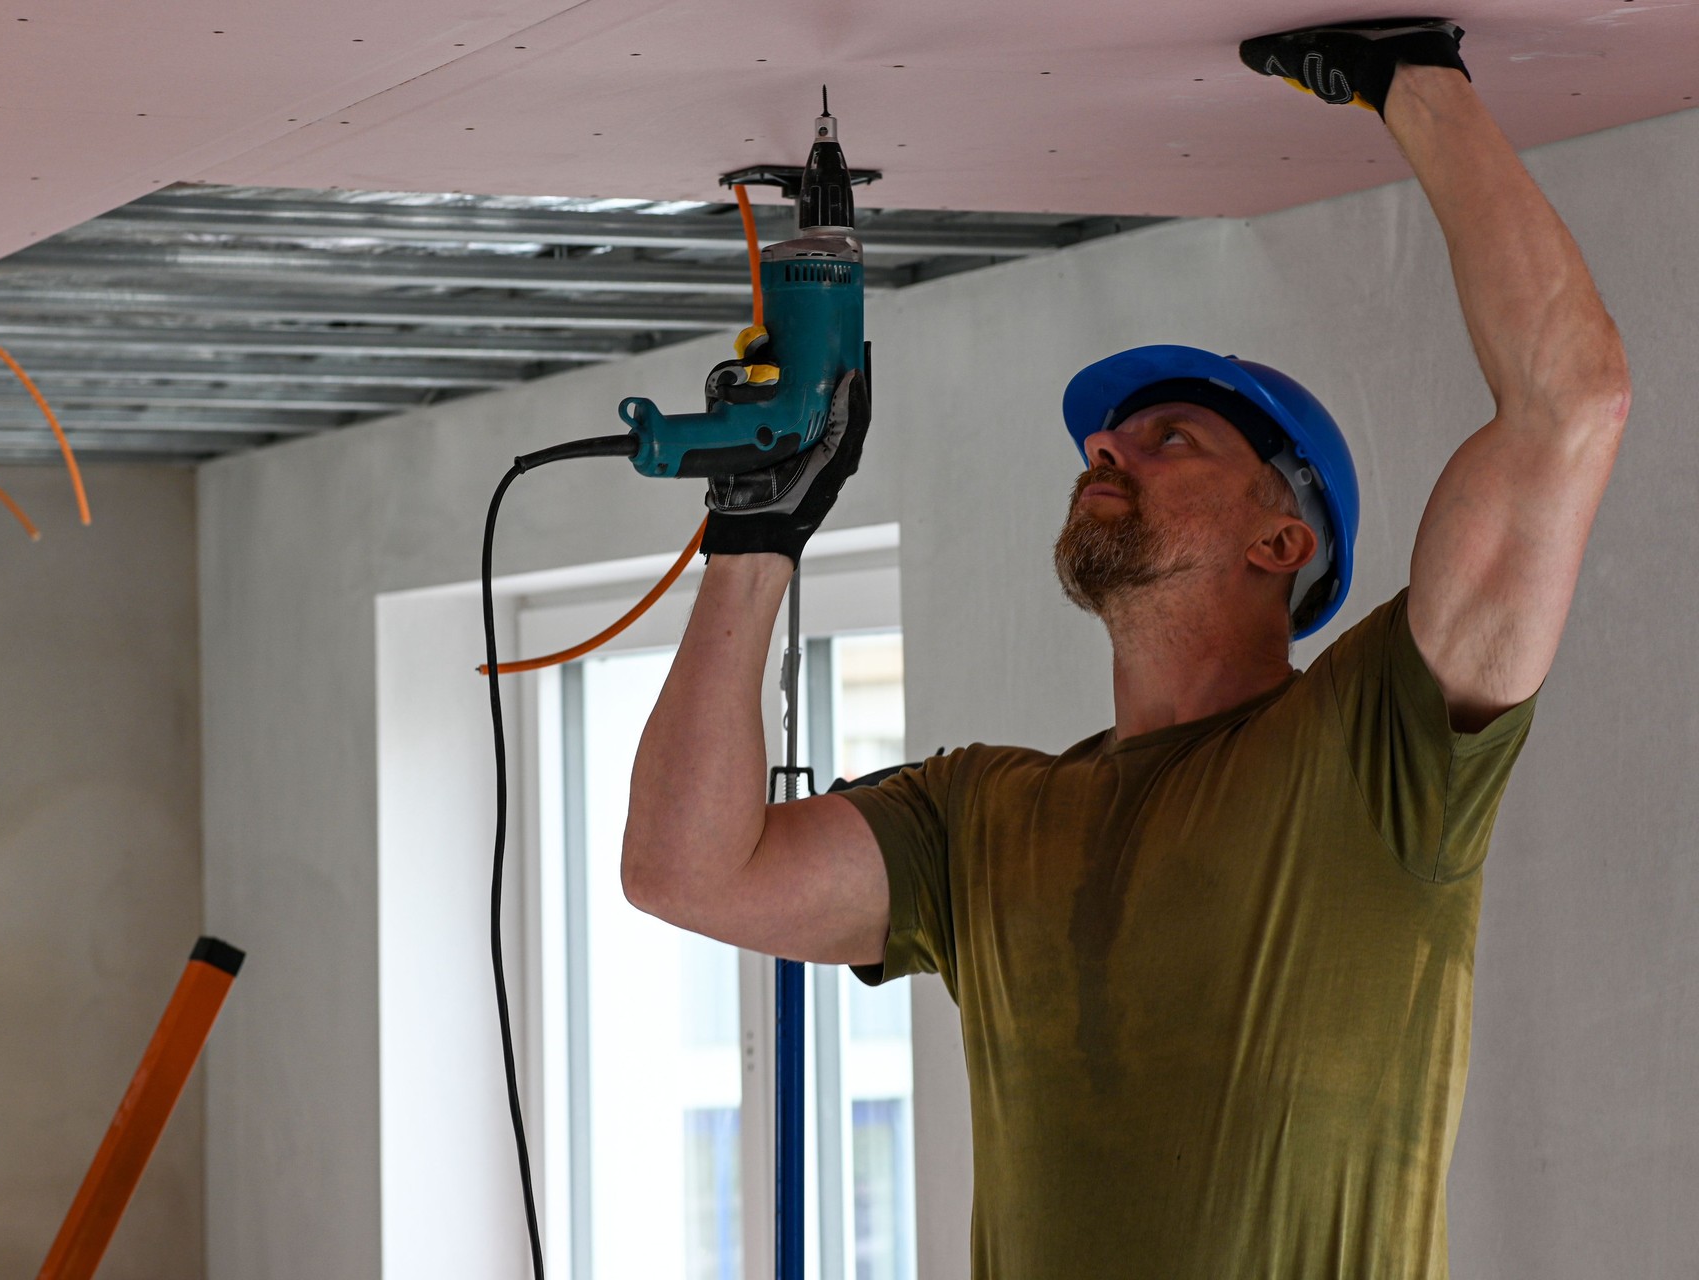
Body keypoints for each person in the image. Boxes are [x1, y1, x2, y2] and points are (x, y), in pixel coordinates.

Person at [622, 19, 1629, 1277]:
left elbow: (1571, 399)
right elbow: (685, 869)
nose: (1107, 449)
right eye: (1109, 441)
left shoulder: (1382, 748)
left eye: (1170, 440)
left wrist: (1409, 76)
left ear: (1281, 539)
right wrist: (756, 533)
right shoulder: (981, 817)